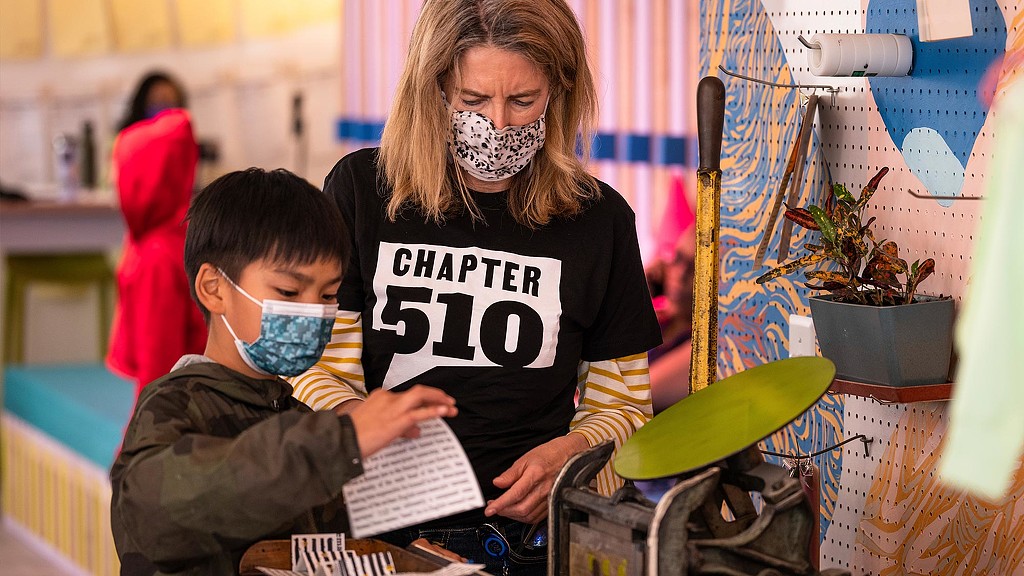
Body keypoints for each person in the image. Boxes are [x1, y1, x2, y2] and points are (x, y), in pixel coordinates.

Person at [290, 1, 661, 573]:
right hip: (380, 533)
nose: (499, 124)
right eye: (472, 101)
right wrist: (365, 433)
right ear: (434, 90)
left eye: (523, 101)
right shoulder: (364, 192)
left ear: (559, 93)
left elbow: (625, 408)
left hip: (529, 541)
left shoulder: (598, 220)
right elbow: (317, 369)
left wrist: (573, 459)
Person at [109, 168, 458, 576]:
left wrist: (401, 558)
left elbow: (327, 549)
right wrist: (343, 439)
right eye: (289, 292)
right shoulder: (175, 404)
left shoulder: (301, 418)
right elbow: (156, 515)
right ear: (214, 288)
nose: (313, 311)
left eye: (328, 294)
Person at [107, 71, 207, 398]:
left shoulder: (156, 255)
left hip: (175, 398)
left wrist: (138, 439)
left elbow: (158, 367)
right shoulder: (165, 239)